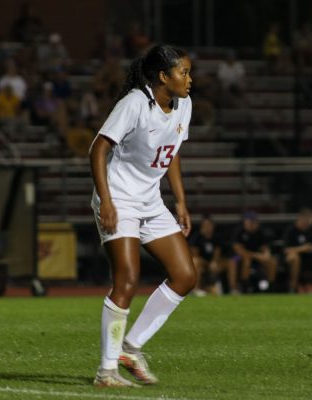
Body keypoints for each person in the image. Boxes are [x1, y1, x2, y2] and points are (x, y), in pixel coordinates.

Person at [88, 44, 194, 387]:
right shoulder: (135, 102)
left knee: (185, 275)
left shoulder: (184, 105)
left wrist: (179, 201)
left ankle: (131, 348)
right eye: (184, 73)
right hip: (119, 198)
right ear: (163, 76)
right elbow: (97, 148)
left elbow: (172, 150)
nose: (189, 80)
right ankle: (106, 371)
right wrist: (106, 201)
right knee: (128, 280)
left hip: (150, 201)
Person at [283, 208, 312, 294]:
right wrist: (302, 248)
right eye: (304, 220)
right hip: (296, 261)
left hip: (311, 260)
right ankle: (293, 288)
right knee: (294, 257)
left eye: (308, 220)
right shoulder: (291, 231)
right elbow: (286, 250)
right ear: (299, 219)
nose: (306, 223)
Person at [230, 211, 277, 294]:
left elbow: (265, 247)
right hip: (238, 256)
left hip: (256, 257)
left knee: (272, 261)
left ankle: (270, 287)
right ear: (245, 221)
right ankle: (236, 288)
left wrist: (267, 254)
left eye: (254, 221)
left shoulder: (260, 232)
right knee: (234, 261)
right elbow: (239, 251)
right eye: (249, 221)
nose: (252, 223)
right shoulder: (239, 231)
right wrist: (256, 255)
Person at [188, 215, 230, 296]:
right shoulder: (196, 237)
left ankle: (231, 289)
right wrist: (207, 263)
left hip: (214, 263)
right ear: (202, 226)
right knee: (196, 261)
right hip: (201, 262)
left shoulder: (216, 237)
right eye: (205, 225)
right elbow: (194, 254)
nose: (208, 227)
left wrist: (213, 262)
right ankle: (196, 289)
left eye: (209, 225)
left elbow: (217, 252)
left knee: (232, 261)